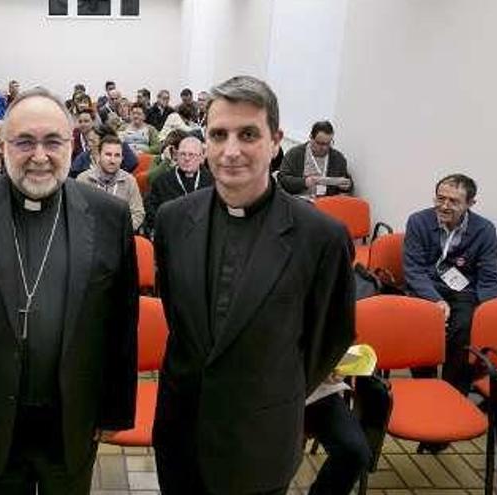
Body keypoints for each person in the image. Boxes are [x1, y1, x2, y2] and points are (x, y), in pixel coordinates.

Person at [0, 87, 138, 495]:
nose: (39, 156)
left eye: (52, 141)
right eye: (24, 142)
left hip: (73, 416)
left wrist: (114, 411)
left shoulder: (108, 215)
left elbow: (121, 323)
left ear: (72, 143)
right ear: (3, 145)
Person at [152, 75, 355, 494]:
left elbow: (329, 338)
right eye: (219, 134)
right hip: (181, 431)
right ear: (204, 141)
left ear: (275, 140)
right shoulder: (173, 220)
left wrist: (271, 383)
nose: (231, 150)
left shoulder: (321, 236)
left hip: (260, 435)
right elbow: (179, 317)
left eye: (248, 134)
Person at [404, 174, 497, 397]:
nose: (444, 206)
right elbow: (414, 270)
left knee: (466, 326)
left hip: (463, 290)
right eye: (440, 198)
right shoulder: (418, 221)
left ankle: (453, 391)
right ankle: (424, 386)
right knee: (421, 319)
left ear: (470, 204)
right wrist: (435, 300)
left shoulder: (484, 229)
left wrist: (485, 311)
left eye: (454, 201)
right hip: (426, 285)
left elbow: (489, 274)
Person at [143, 136, 212, 237]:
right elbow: (152, 212)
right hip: (172, 235)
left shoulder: (212, 182)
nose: (187, 158)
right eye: (183, 154)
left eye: (191, 155)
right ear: (176, 156)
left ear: (201, 158)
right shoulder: (162, 182)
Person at [76, 134, 145, 231]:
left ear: (122, 158)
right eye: (108, 154)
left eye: (117, 155)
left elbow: (138, 213)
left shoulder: (129, 181)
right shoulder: (83, 179)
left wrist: (122, 231)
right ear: (99, 156)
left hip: (120, 236)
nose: (112, 160)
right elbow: (76, 213)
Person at [278, 121, 352, 198]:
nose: (324, 148)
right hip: (298, 200)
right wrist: (304, 182)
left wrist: (347, 186)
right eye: (320, 143)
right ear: (311, 138)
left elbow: (345, 184)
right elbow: (282, 179)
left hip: (326, 202)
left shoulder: (338, 158)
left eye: (328, 143)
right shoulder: (295, 154)